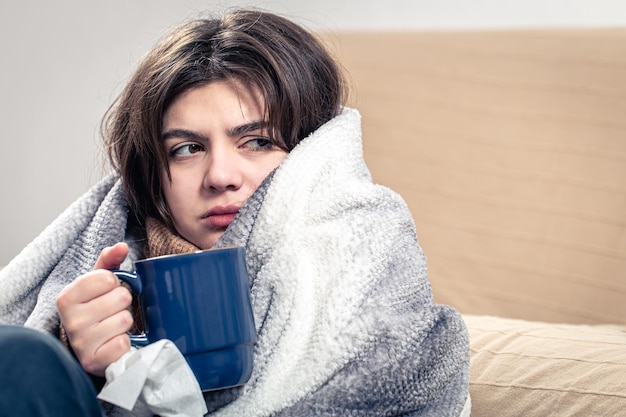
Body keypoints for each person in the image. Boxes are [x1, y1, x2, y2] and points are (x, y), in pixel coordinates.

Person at [0, 8, 471, 417]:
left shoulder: (369, 261)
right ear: (153, 174)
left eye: (258, 141)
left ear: (314, 157)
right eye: (187, 148)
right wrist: (84, 369)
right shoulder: (108, 288)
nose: (220, 175)